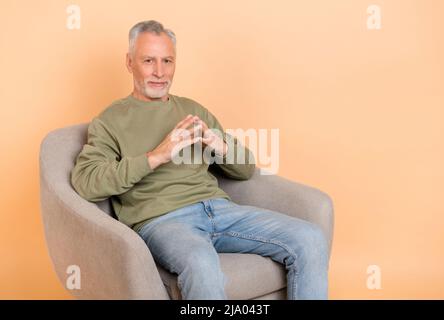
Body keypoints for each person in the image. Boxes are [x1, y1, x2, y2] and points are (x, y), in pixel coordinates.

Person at [71, 20, 329, 300]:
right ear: (129, 62)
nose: (160, 72)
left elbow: (245, 170)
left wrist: (220, 145)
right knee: (201, 263)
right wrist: (157, 155)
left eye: (167, 61)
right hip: (163, 221)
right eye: (149, 61)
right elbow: (86, 183)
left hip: (219, 210)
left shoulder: (192, 111)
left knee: (310, 239)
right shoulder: (110, 121)